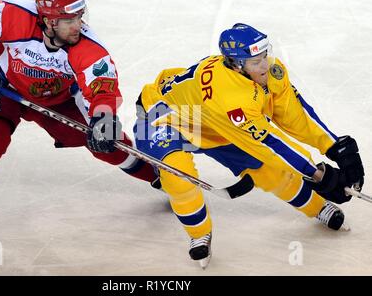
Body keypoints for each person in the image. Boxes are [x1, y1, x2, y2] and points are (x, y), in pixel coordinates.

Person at [0, 0, 158, 254]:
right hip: (3, 87)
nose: (78, 25)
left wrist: (103, 118)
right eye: (69, 20)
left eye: (79, 17)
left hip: (59, 100)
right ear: (48, 21)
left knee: (108, 142)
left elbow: (102, 88)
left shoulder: (87, 46)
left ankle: (157, 177)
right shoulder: (12, 15)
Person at [133, 23, 365, 268]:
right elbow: (271, 144)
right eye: (255, 62)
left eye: (264, 55)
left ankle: (318, 207)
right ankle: (198, 233)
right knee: (178, 177)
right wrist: (319, 174)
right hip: (161, 116)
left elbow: (293, 114)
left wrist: (335, 146)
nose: (265, 65)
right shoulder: (230, 99)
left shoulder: (271, 71)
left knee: (270, 172)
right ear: (236, 64)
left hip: (210, 121)